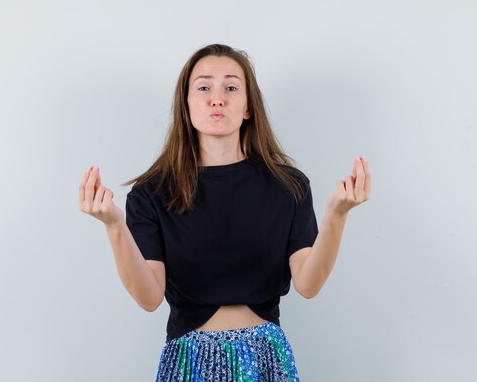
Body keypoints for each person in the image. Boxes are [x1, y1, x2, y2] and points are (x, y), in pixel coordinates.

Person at [78, 43, 371, 381]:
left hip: (265, 359)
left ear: (248, 107)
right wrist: (114, 226)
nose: (217, 98)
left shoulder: (288, 186)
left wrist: (337, 215)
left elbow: (308, 283)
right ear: (186, 105)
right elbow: (149, 297)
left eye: (231, 87)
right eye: (203, 87)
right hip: (189, 362)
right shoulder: (152, 194)